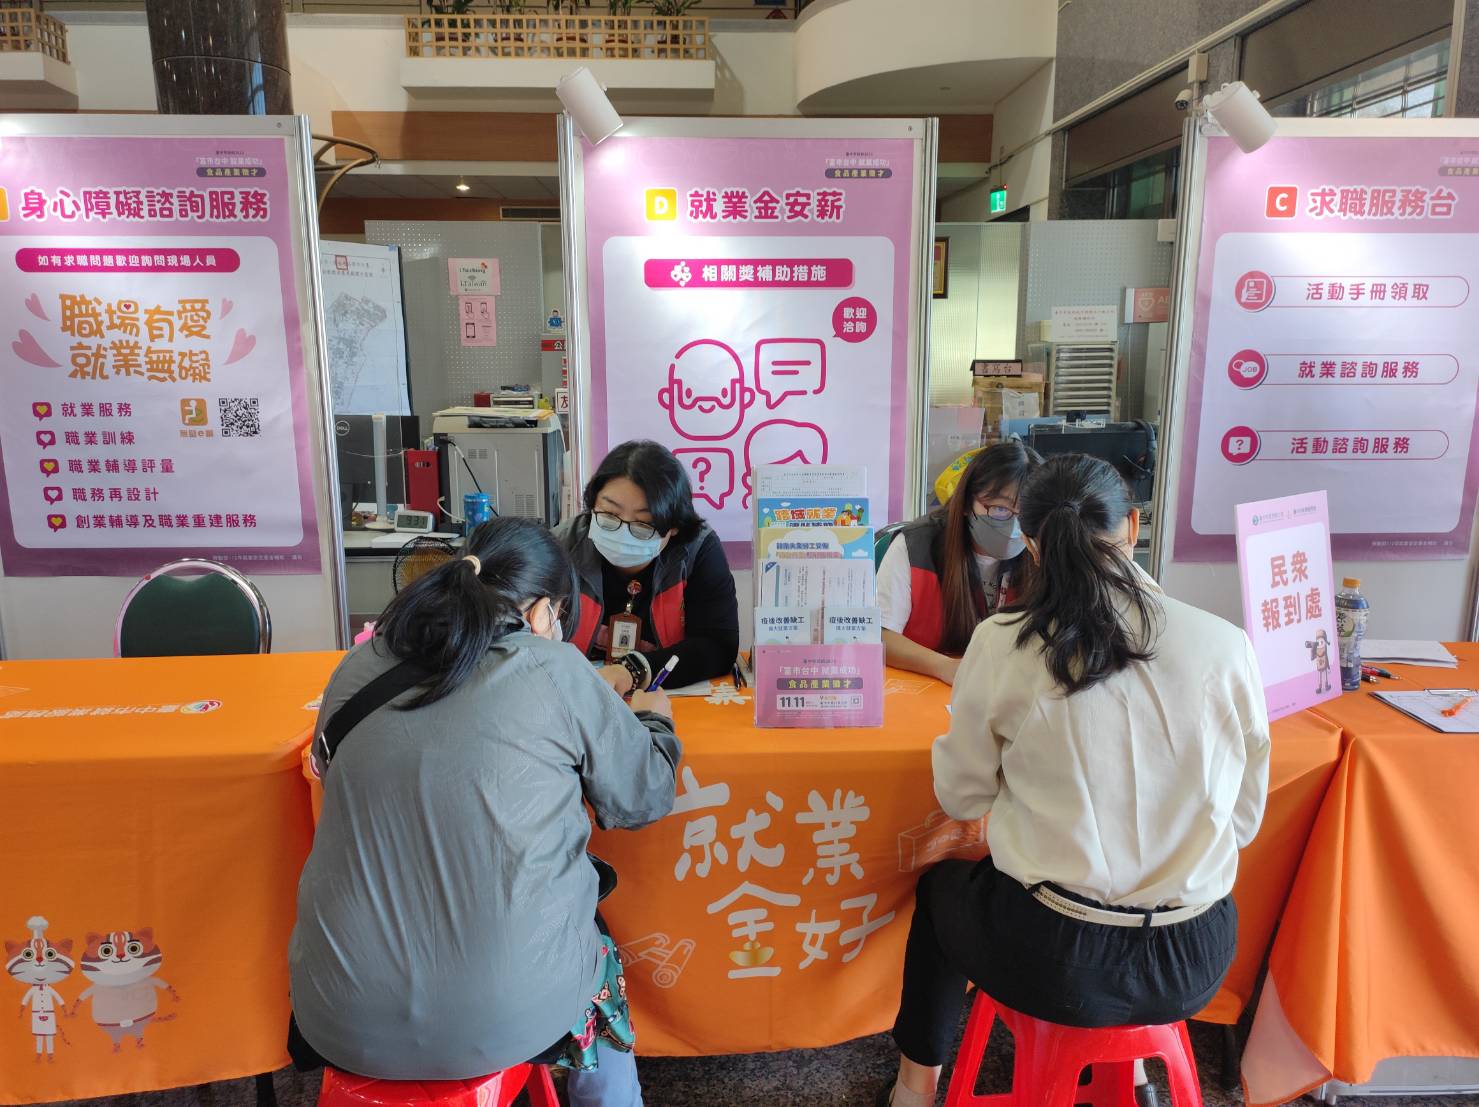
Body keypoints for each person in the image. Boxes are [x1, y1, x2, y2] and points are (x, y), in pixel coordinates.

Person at [880, 454, 1271, 1107]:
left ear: (1031, 542)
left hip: (1057, 955)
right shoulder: (1225, 644)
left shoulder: (1003, 642)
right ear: (1133, 526)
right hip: (1194, 955)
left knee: (943, 888)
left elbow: (963, 798)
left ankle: (913, 1089)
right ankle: (1133, 1074)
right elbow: (1244, 819)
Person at [289, 516, 679, 1107]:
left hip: (338, 1013)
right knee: (594, 942)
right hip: (509, 1017)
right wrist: (653, 722)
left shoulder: (358, 665)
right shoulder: (554, 669)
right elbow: (641, 797)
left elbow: (326, 767)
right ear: (544, 612)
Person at [560, 440, 740, 695]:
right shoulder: (560, 547)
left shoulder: (697, 551)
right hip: (577, 697)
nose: (622, 532)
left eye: (643, 524)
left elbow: (718, 646)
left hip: (663, 697)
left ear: (674, 526)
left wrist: (632, 671)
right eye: (609, 515)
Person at [878, 441, 1039, 685]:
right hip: (927, 688)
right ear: (966, 503)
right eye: (999, 509)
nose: (1014, 527)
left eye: (1026, 513)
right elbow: (881, 636)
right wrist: (944, 667)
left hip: (1010, 689)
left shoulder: (1043, 549)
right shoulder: (916, 546)